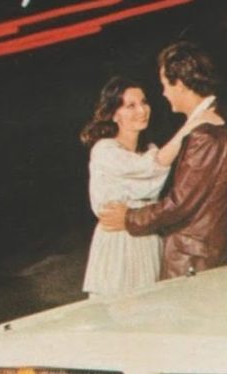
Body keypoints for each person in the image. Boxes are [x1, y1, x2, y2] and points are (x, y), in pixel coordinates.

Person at [99, 41, 227, 279]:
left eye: (165, 85)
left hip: (194, 257)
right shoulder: (222, 118)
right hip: (208, 247)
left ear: (181, 85)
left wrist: (128, 218)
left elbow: (179, 203)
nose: (164, 93)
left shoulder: (205, 134)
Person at [79, 76, 216, 298]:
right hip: (118, 241)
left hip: (147, 236)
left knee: (150, 304)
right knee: (117, 308)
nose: (142, 110)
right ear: (114, 114)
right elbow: (150, 167)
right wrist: (191, 125)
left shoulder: (149, 148)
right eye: (130, 105)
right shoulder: (105, 150)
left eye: (144, 102)